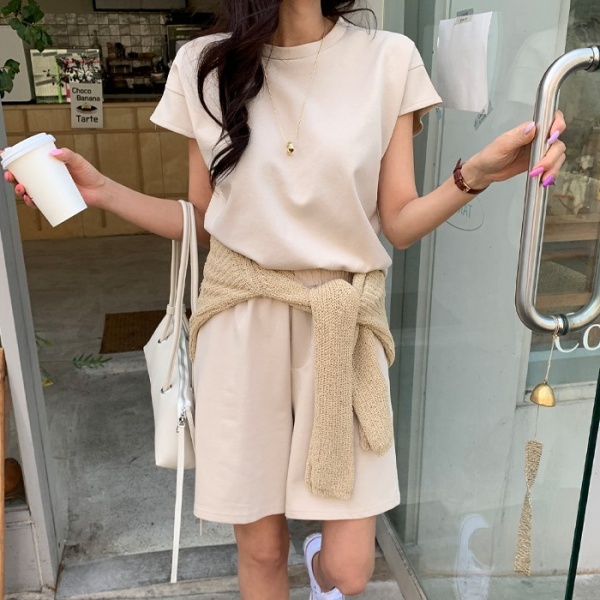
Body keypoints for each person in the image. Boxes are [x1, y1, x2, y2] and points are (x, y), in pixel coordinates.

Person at [5, 1, 566, 598]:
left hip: (342, 325)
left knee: (351, 571)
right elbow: (204, 220)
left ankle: (321, 565)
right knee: (262, 550)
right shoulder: (203, 64)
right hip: (241, 322)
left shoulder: (389, 58)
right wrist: (103, 192)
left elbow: (398, 222)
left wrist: (474, 174)